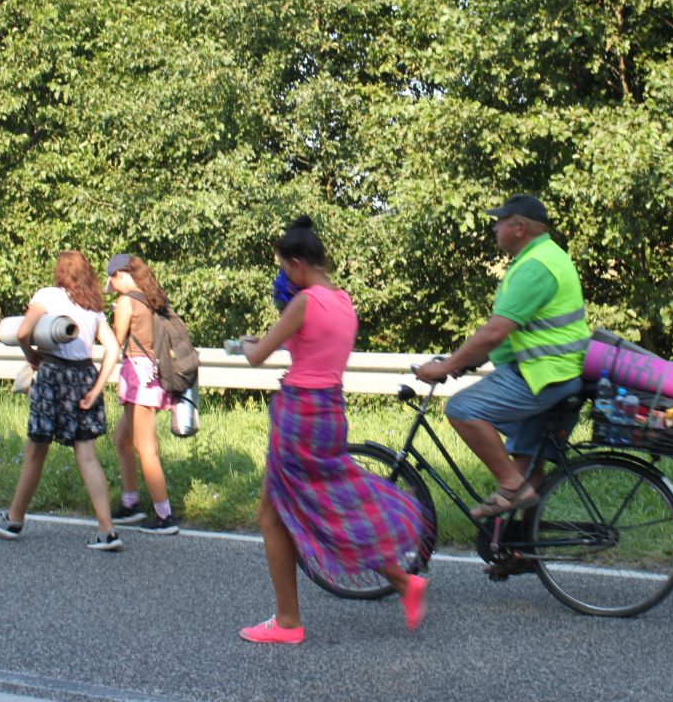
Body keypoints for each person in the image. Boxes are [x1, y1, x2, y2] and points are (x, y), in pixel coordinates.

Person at [239, 216, 428, 644]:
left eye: (285, 268)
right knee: (332, 505)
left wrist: (246, 342)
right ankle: (403, 583)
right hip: (330, 413)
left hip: (299, 416)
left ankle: (288, 622)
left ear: (298, 264)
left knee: (271, 515)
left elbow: (256, 355)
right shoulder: (343, 301)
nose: (284, 276)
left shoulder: (304, 303)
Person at [416, 194, 588, 518]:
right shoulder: (546, 256)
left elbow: (495, 332)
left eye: (500, 221)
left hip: (542, 375)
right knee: (526, 461)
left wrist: (446, 366)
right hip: (558, 372)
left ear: (519, 227)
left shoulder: (535, 267)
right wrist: (472, 360)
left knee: (462, 409)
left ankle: (511, 486)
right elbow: (519, 332)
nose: (495, 228)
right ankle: (520, 539)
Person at [0, 250, 124, 551]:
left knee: (36, 451)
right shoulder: (93, 307)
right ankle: (107, 530)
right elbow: (113, 349)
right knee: (87, 456)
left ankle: (14, 519)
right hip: (85, 376)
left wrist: (31, 356)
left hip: (53, 375)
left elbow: (23, 332)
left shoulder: (47, 296)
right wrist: (96, 389)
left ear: (60, 272)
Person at [104, 253, 179, 534]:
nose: (112, 286)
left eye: (112, 280)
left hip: (138, 376)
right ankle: (130, 502)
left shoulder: (126, 303)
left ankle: (164, 515)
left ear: (121, 276)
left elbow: (115, 342)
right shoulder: (154, 299)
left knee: (146, 449)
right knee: (122, 440)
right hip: (154, 374)